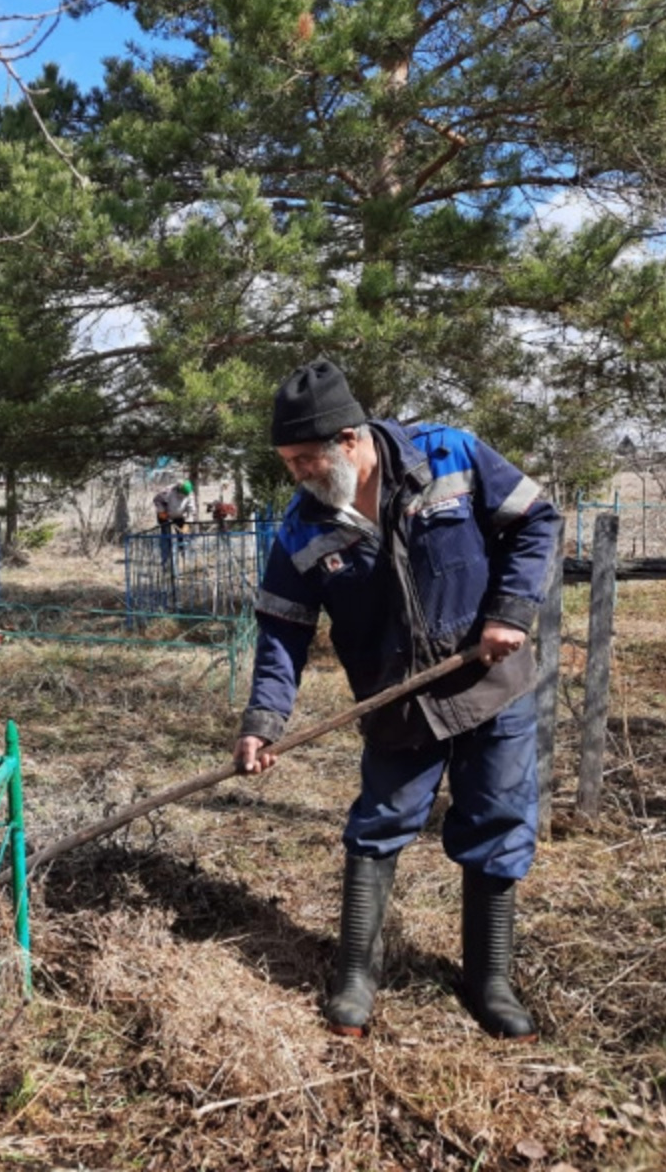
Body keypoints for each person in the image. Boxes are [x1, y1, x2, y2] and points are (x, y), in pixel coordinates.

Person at [233, 358, 559, 1041]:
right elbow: (283, 632)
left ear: (350, 440)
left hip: (489, 682)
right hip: (395, 701)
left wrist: (510, 611)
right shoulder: (302, 529)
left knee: (497, 822)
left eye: (304, 460)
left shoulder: (451, 455)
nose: (297, 475)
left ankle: (488, 978)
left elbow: (536, 519)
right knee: (379, 824)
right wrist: (263, 721)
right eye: (288, 462)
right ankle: (357, 973)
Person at [153, 479, 195, 563]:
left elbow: (191, 509)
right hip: (165, 516)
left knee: (183, 536)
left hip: (179, 516)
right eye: (183, 494)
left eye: (186, 495)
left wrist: (188, 522)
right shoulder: (168, 491)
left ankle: (184, 557)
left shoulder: (189, 494)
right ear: (178, 490)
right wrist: (162, 511)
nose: (184, 496)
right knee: (166, 537)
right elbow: (156, 500)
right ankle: (166, 559)